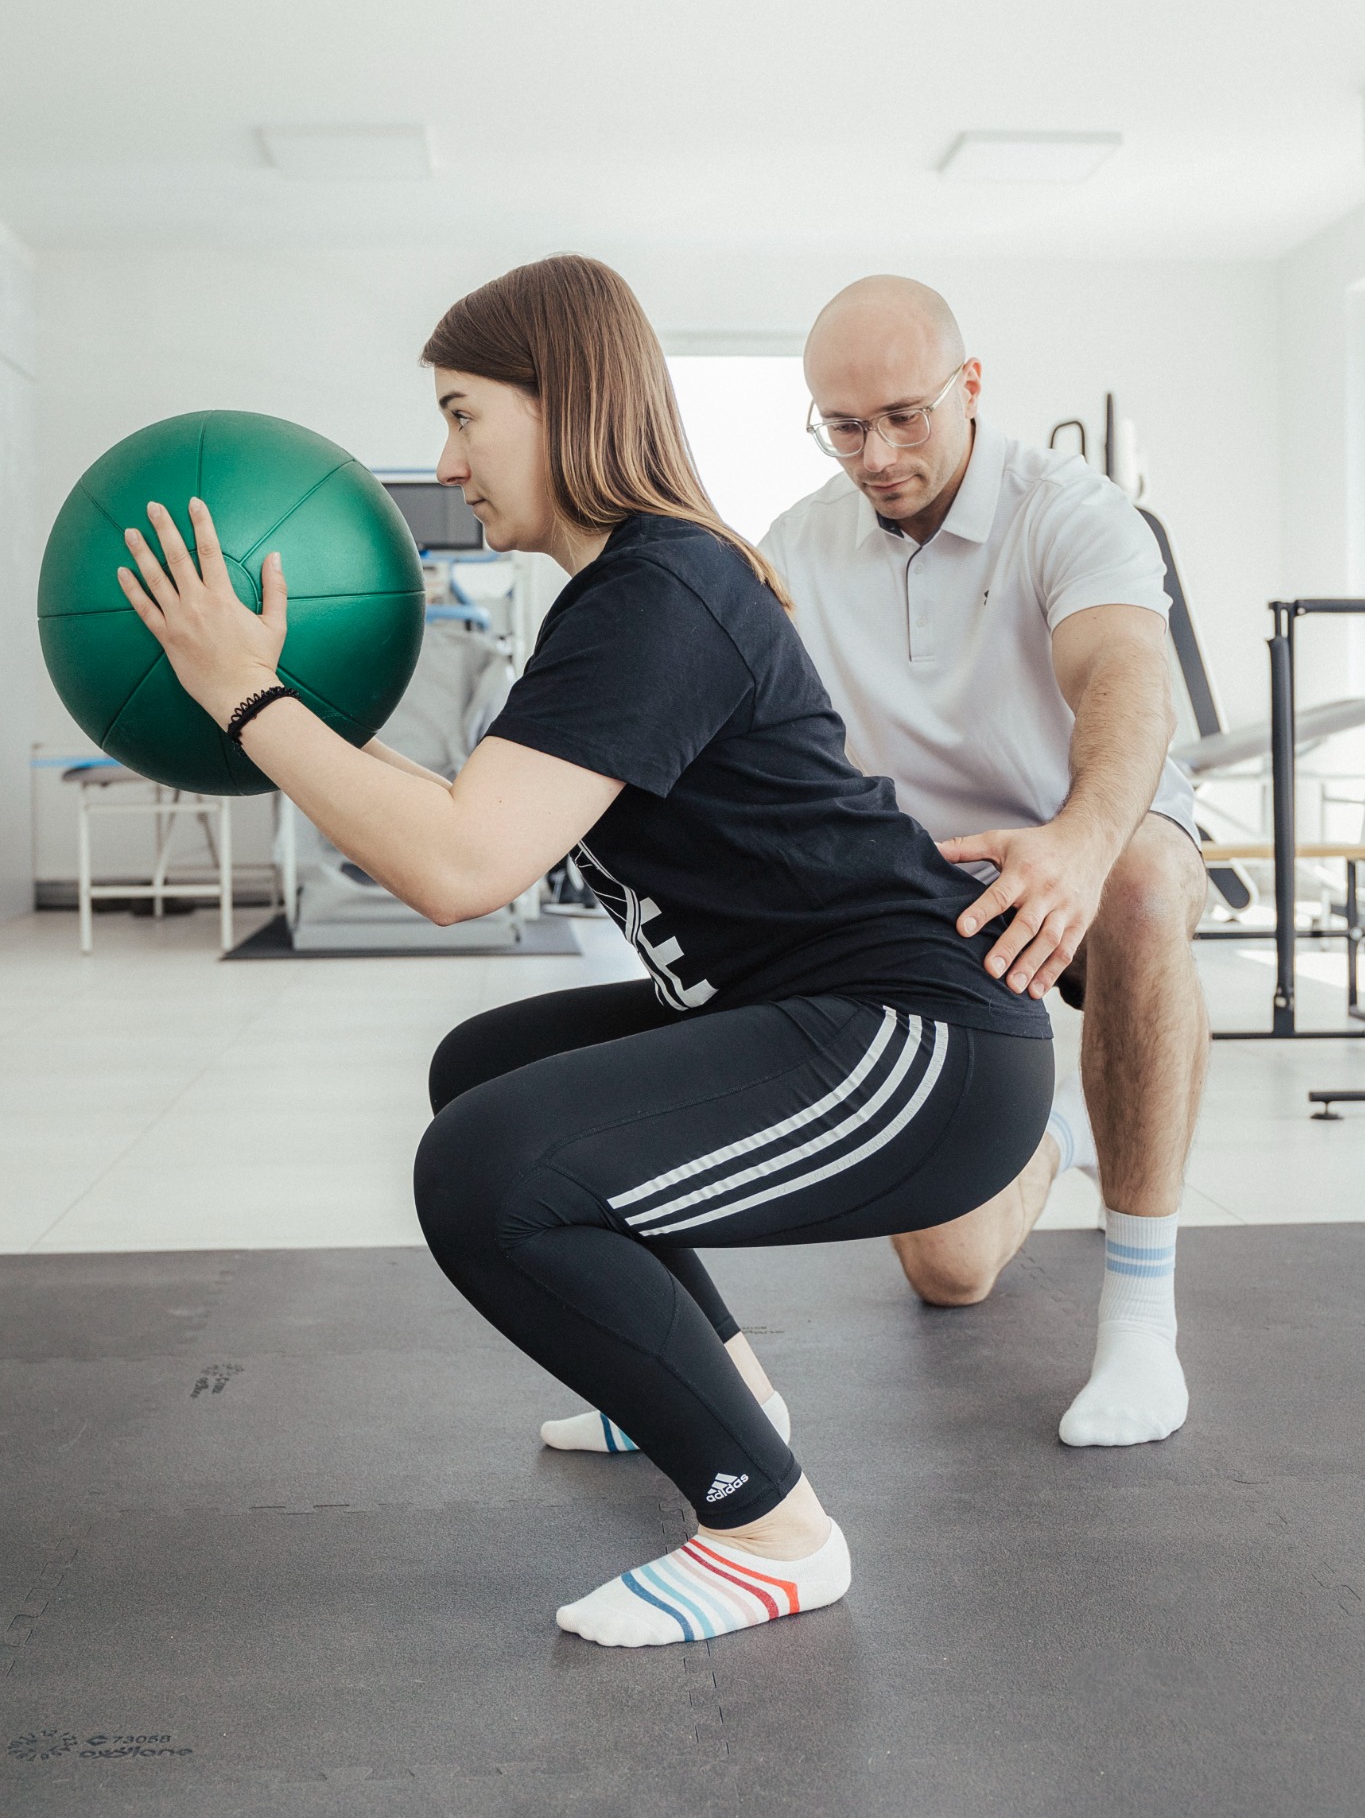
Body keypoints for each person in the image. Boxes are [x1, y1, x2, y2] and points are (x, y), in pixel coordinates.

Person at [115, 254, 1054, 1649]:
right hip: (838, 1013)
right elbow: (462, 826)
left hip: (916, 1049)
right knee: (486, 1064)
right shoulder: (623, 594)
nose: (446, 460)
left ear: (563, 404)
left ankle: (768, 1525)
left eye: (462, 414)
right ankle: (722, 1386)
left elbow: (457, 865)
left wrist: (246, 695)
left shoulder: (659, 593)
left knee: (489, 1178)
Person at [760, 276, 1209, 1451]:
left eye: (905, 415)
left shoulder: (1069, 508)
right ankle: (1058, 1128)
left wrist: (1079, 838)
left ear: (969, 386)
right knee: (950, 1274)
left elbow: (1124, 671)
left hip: (1087, 820)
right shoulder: (798, 546)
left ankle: (1141, 1321)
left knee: (1146, 891)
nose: (878, 451)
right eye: (845, 425)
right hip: (932, 868)